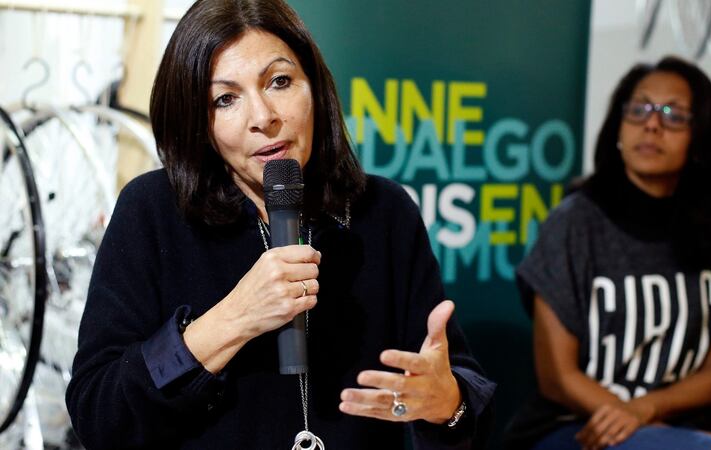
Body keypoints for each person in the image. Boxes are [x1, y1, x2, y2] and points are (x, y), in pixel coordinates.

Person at [64, 1, 495, 448]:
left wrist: (446, 404)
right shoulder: (152, 210)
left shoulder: (383, 211)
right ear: (199, 120)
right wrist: (232, 320)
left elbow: (464, 405)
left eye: (280, 81)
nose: (263, 117)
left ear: (315, 88)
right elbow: (98, 414)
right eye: (225, 98)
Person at [503, 56, 711, 450]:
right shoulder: (574, 225)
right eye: (639, 109)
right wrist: (652, 430)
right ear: (619, 126)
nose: (652, 124)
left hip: (674, 428)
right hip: (576, 426)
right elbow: (558, 377)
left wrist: (649, 413)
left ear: (701, 138)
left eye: (673, 115)